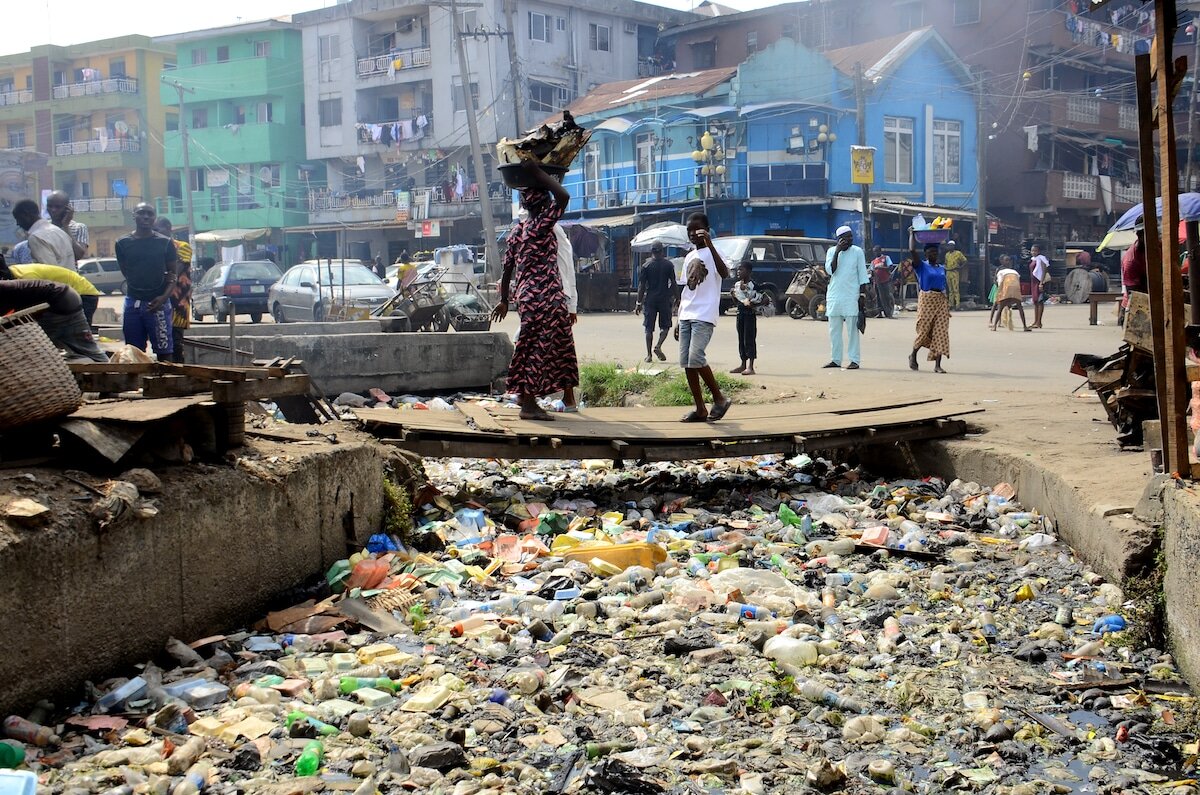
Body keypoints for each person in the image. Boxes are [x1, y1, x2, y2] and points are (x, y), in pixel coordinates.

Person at [490, 161, 578, 421]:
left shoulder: (517, 233)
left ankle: (533, 396)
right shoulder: (540, 227)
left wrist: (504, 300)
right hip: (545, 297)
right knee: (539, 350)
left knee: (546, 346)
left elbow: (507, 271)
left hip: (529, 297)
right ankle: (529, 403)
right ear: (542, 206)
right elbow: (564, 196)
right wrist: (538, 172)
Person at [674, 212, 732, 422]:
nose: (692, 234)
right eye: (689, 230)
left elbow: (724, 273)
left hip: (704, 314)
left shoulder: (715, 252)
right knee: (687, 363)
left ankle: (719, 398)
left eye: (696, 229)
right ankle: (700, 408)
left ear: (706, 229)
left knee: (696, 357)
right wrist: (678, 318)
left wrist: (710, 243)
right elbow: (686, 290)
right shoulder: (689, 256)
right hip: (687, 314)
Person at [115, 203, 178, 359]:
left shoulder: (166, 243)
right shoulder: (122, 243)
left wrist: (163, 298)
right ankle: (137, 384)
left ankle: (165, 382)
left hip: (159, 305)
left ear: (154, 217)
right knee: (132, 352)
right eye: (141, 213)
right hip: (133, 303)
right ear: (134, 216)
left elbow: (173, 276)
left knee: (165, 353)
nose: (146, 217)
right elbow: (126, 271)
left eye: (150, 214)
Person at [0, 277, 108, 362]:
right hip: (67, 295)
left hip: (58, 300)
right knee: (85, 347)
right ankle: (107, 368)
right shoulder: (7, 287)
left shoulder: (4, 289)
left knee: (35, 348)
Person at [822, 225, 869, 370]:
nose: (850, 239)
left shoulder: (857, 252)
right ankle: (835, 359)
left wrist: (862, 295)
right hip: (835, 295)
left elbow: (862, 274)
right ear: (839, 239)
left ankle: (854, 360)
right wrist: (837, 251)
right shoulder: (831, 251)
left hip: (851, 295)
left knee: (852, 330)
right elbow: (831, 270)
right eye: (846, 237)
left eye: (851, 236)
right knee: (834, 330)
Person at [4, 260, 102, 327]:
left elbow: (33, 308)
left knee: (81, 333)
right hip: (70, 295)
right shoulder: (15, 271)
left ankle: (93, 356)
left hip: (84, 293)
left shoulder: (27, 278)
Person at [906, 233, 951, 373]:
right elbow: (912, 250)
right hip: (927, 299)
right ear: (925, 253)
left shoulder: (941, 267)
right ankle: (913, 354)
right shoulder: (921, 266)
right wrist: (912, 234)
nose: (933, 254)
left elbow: (945, 284)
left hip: (941, 299)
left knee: (941, 331)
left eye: (935, 252)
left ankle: (937, 365)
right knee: (923, 329)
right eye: (931, 252)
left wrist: (947, 300)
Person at [153, 216, 192, 363]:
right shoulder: (154, 247)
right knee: (161, 339)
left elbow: (175, 270)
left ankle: (178, 372)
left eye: (158, 229)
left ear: (169, 228)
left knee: (175, 340)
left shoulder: (183, 247)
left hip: (178, 301)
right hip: (160, 299)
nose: (156, 233)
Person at [552, 222, 580, 411]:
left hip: (557, 294)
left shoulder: (553, 230)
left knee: (561, 348)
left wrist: (572, 304)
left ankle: (569, 398)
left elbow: (567, 265)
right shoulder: (531, 227)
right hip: (545, 294)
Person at [634, 242, 676, 363]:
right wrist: (678, 298)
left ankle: (648, 355)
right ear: (662, 251)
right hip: (664, 299)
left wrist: (638, 303)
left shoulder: (646, 266)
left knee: (648, 328)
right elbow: (673, 283)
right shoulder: (669, 265)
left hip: (650, 300)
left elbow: (641, 286)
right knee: (665, 326)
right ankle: (658, 346)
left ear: (651, 252)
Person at [11, 199, 76, 269]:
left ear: (26, 215)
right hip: (71, 278)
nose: (18, 223)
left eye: (18, 219)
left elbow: (49, 271)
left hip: (57, 279)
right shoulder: (58, 231)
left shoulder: (36, 237)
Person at [729, 262, 761, 375]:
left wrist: (752, 304)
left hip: (749, 315)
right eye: (738, 270)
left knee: (749, 339)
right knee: (741, 339)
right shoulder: (737, 285)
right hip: (740, 314)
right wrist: (733, 295)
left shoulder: (754, 285)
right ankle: (742, 364)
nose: (738, 272)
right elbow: (736, 301)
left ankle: (751, 366)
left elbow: (760, 300)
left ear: (748, 271)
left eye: (741, 269)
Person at [989, 255, 1031, 332]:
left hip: (1006, 288)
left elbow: (1000, 283)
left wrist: (1000, 295)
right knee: (1020, 308)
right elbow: (1017, 282)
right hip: (1015, 288)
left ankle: (994, 326)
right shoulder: (1014, 271)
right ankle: (1025, 326)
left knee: (1000, 308)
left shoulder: (1001, 272)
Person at [46, 191, 88, 262]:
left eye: (58, 207)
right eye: (50, 206)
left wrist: (65, 226)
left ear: (68, 208)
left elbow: (78, 255)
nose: (53, 210)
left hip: (69, 272)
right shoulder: (43, 227)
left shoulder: (79, 227)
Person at [1029, 244, 1050, 328]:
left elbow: (1043, 271)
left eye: (1035, 250)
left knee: (1040, 301)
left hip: (1039, 282)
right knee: (1035, 302)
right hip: (1033, 282)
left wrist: (1041, 283)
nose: (1033, 252)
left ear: (1039, 251)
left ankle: (1039, 322)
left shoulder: (1041, 259)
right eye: (1032, 250)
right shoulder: (1033, 259)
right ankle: (1035, 321)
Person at [870, 245, 894, 319]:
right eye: (874, 251)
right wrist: (872, 273)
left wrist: (881, 268)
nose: (876, 253)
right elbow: (871, 271)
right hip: (877, 282)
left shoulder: (886, 258)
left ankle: (888, 313)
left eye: (877, 251)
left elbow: (891, 267)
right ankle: (879, 313)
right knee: (878, 298)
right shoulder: (873, 262)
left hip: (885, 281)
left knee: (887, 296)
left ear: (880, 251)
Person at [943, 240, 967, 309]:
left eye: (951, 245)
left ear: (954, 246)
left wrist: (960, 267)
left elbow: (965, 261)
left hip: (955, 272)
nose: (950, 247)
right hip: (948, 272)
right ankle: (951, 304)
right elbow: (945, 262)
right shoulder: (947, 254)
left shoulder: (958, 253)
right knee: (950, 290)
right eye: (949, 245)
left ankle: (957, 304)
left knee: (956, 289)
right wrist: (945, 267)